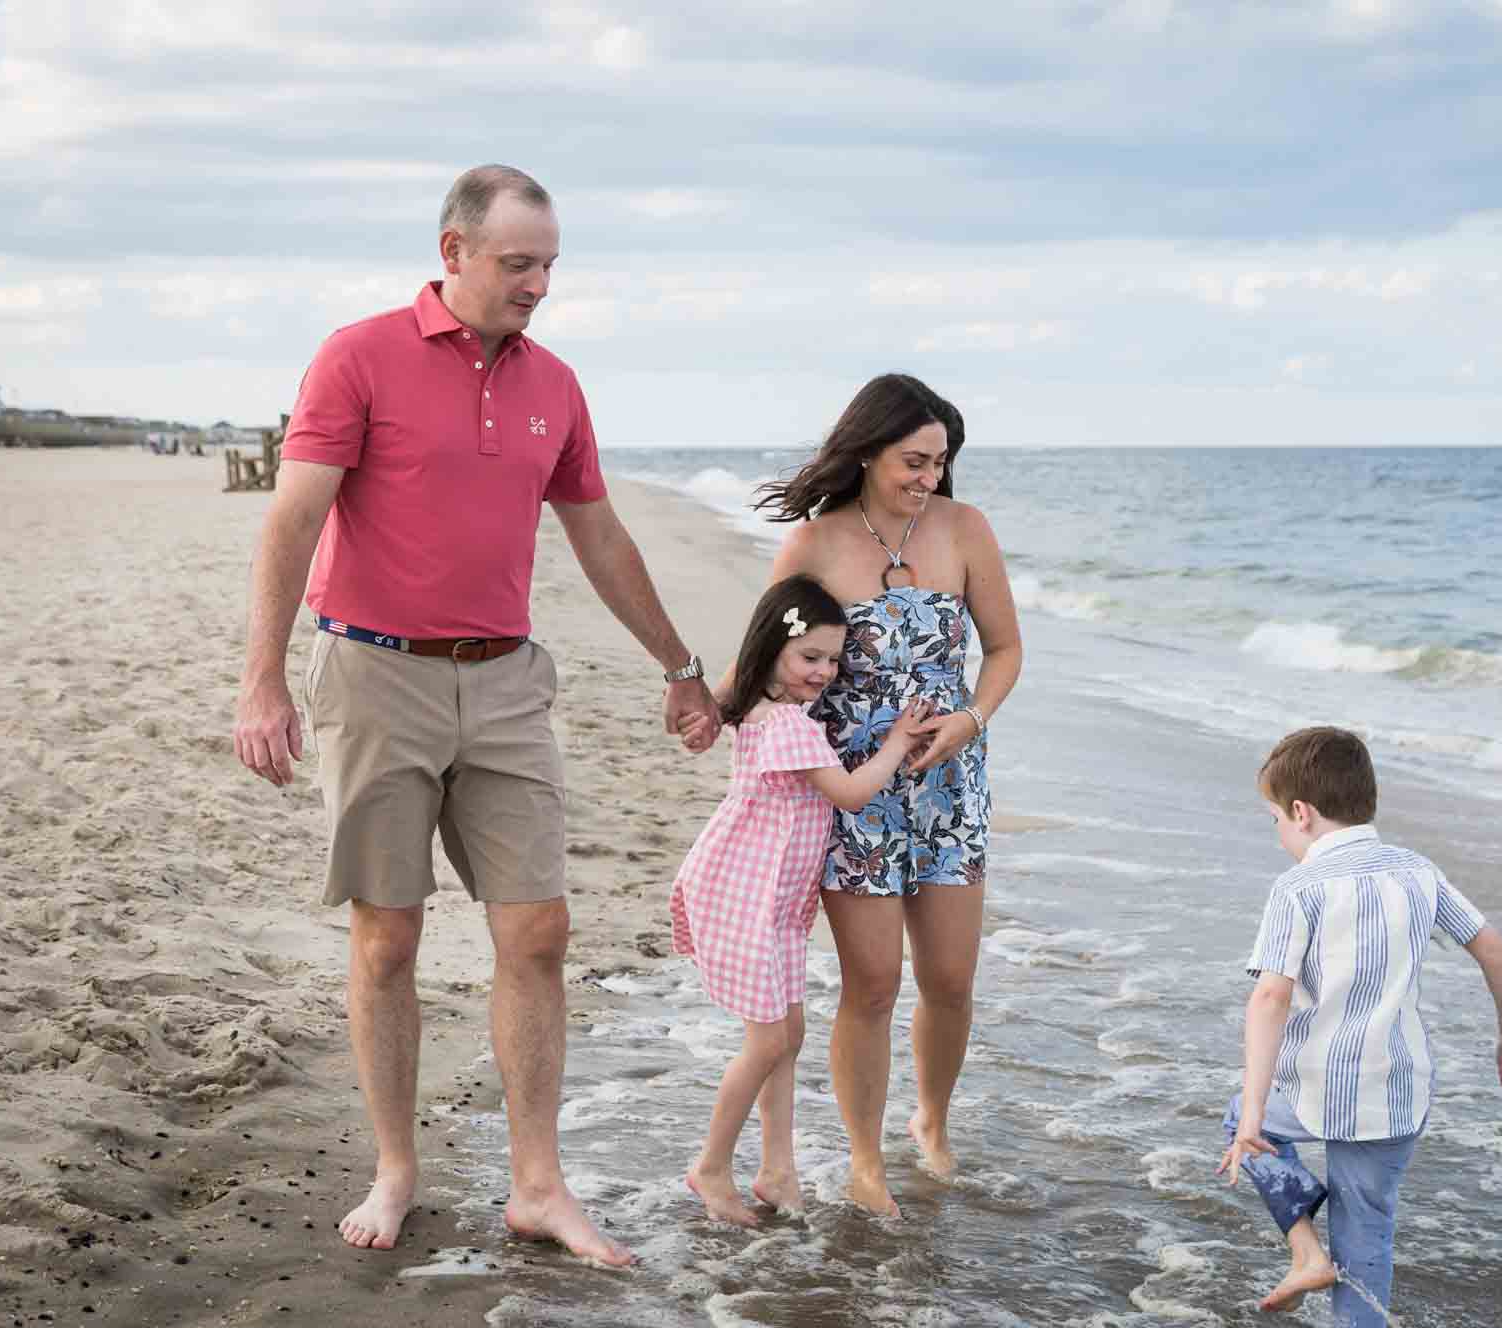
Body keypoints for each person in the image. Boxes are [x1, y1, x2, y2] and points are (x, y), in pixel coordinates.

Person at [230, 164, 721, 1265]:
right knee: (387, 938)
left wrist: (679, 663)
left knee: (537, 931)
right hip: (374, 675)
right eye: (517, 263)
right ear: (452, 252)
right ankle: (397, 1168)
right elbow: (292, 520)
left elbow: (598, 537)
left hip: (507, 682)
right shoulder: (356, 355)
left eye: (549, 264)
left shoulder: (556, 380)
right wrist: (261, 679)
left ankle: (537, 1184)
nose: (538, 284)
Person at [688, 373, 1023, 1217]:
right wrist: (703, 701)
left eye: (940, 461)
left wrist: (972, 722)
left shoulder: (966, 529)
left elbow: (1007, 649)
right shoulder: (814, 544)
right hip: (852, 794)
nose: (927, 476)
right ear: (868, 451)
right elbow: (765, 651)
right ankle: (865, 1160)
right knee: (872, 984)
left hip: (950, 784)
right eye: (913, 459)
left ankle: (932, 1121)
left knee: (950, 976)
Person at [1219, 727, 1502, 1328]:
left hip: (1314, 1091)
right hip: (1396, 1095)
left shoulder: (1298, 887)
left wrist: (1254, 1111)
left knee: (1241, 1124)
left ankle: (1306, 1251)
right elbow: (1494, 947)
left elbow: (1270, 997)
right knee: (1366, 1247)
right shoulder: (1417, 872)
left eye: (1274, 818)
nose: (1279, 831)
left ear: (1301, 814)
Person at [672, 574, 931, 1226]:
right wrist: (898, 743)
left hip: (777, 902)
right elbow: (847, 793)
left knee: (788, 1033)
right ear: (774, 647)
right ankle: (710, 1165)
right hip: (749, 897)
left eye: (833, 659)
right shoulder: (788, 724)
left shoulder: (773, 710)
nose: (824, 672)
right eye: (809, 657)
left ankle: (777, 1169)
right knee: (766, 1042)